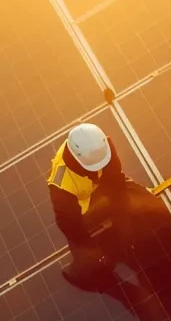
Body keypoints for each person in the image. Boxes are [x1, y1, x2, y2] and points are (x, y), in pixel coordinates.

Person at [48, 123, 134, 289]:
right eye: (93, 167)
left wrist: (123, 227)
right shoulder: (60, 186)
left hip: (101, 192)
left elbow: (117, 186)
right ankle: (93, 279)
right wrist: (94, 253)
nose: (99, 167)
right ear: (78, 161)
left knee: (136, 205)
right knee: (89, 258)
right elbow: (71, 227)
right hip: (81, 212)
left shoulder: (101, 147)